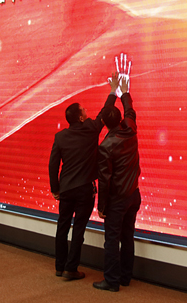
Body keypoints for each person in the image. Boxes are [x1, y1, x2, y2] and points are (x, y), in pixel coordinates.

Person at [48, 87, 117, 280]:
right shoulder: (91, 129)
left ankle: (60, 266)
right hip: (85, 189)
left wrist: (55, 189)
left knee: (62, 226)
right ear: (80, 118)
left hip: (66, 189)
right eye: (84, 110)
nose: (87, 111)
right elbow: (105, 112)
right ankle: (71, 269)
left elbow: (53, 165)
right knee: (78, 229)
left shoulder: (60, 137)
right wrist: (113, 92)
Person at [93, 72, 141, 292]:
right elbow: (130, 110)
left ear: (104, 123)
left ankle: (111, 281)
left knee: (112, 239)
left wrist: (102, 207)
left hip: (118, 200)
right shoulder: (130, 128)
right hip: (134, 195)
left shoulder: (105, 146)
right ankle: (125, 277)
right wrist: (124, 92)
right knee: (127, 236)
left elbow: (105, 180)